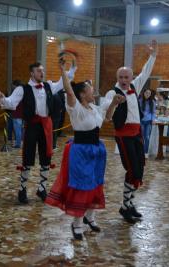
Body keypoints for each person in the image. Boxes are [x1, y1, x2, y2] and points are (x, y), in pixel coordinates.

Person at [45, 58, 118, 240]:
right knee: (82, 186)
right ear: (83, 94)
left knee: (95, 184)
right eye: (90, 88)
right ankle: (76, 224)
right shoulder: (75, 108)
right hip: (80, 151)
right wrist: (64, 70)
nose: (93, 90)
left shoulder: (94, 107)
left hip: (96, 150)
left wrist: (115, 103)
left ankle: (90, 218)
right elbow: (69, 91)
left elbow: (107, 118)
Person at [0, 63, 76, 204]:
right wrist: (1, 98)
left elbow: (63, 82)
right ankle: (22, 189)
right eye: (38, 71)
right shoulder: (22, 89)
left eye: (42, 70)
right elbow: (11, 103)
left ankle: (42, 189)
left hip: (46, 125)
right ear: (31, 73)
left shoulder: (49, 86)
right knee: (28, 156)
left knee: (46, 157)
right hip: (32, 125)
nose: (41, 73)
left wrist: (69, 69)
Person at [103, 40, 158, 223]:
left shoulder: (135, 87)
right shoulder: (112, 93)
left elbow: (146, 72)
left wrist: (153, 55)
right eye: (121, 78)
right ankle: (125, 206)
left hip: (137, 134)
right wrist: (113, 103)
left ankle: (129, 204)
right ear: (117, 78)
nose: (124, 81)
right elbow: (108, 118)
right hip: (124, 136)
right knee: (132, 170)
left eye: (127, 77)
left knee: (140, 169)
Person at [138, 88, 156, 158]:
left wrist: (153, 120)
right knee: (141, 136)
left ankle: (146, 152)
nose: (147, 94)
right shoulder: (140, 100)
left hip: (148, 121)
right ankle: (140, 151)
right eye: (146, 93)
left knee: (147, 137)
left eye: (149, 93)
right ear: (144, 93)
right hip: (141, 121)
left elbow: (153, 112)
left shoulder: (153, 102)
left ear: (151, 94)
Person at [11, 80, 24, 148]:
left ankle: (18, 144)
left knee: (17, 130)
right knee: (22, 130)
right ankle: (21, 143)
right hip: (23, 114)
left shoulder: (16, 93)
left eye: (13, 85)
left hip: (17, 114)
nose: (12, 87)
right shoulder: (24, 92)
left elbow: (13, 103)